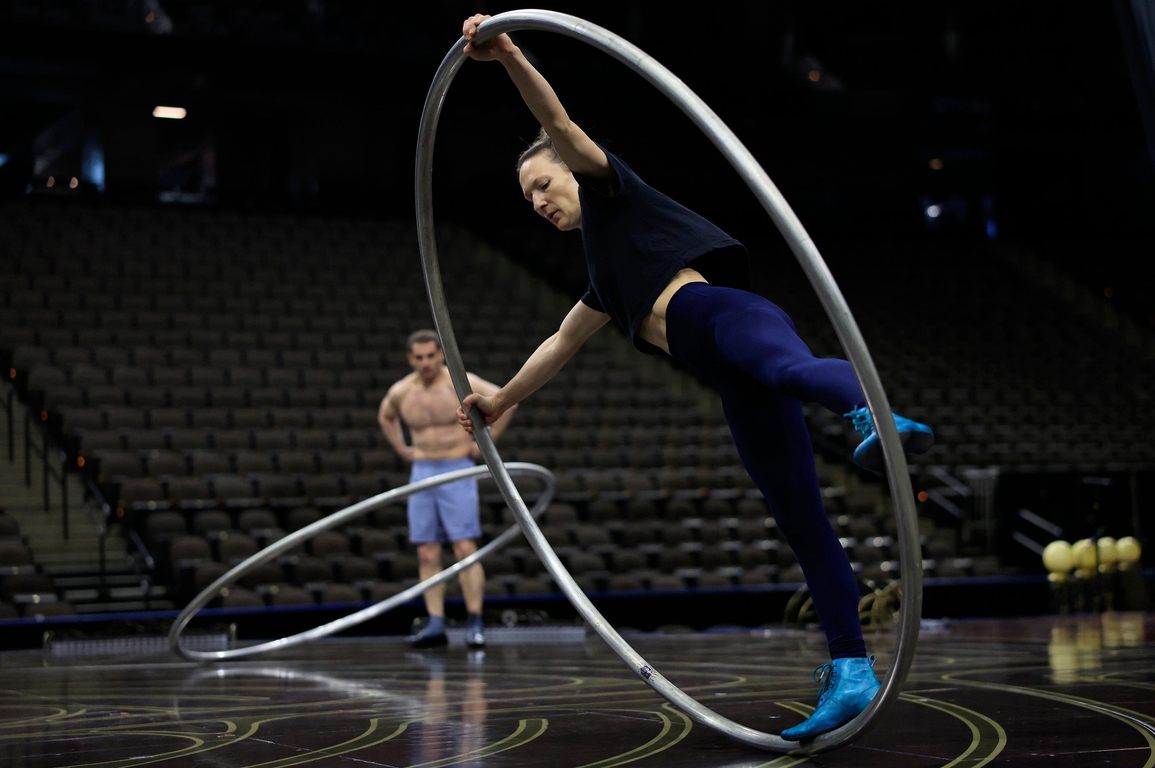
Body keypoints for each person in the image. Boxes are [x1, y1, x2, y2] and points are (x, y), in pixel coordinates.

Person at [453, 14, 933, 738]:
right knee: (801, 524)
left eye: (543, 184)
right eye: (528, 200)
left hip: (720, 315)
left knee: (790, 367)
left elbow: (555, 118)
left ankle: (875, 420)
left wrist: (509, 54)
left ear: (571, 166)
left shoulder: (615, 194)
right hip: (722, 376)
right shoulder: (604, 280)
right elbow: (557, 343)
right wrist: (498, 399)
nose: (540, 202)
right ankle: (851, 669)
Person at [379, 329, 517, 649]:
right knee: (426, 550)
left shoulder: (460, 381)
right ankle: (436, 623)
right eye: (419, 357)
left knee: (464, 548)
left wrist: (486, 443)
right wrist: (402, 449)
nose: (426, 363)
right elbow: (386, 416)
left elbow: (507, 401)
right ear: (410, 359)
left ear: (440, 354)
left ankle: (474, 620)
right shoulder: (402, 391)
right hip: (423, 469)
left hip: (457, 468)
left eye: (431, 356)